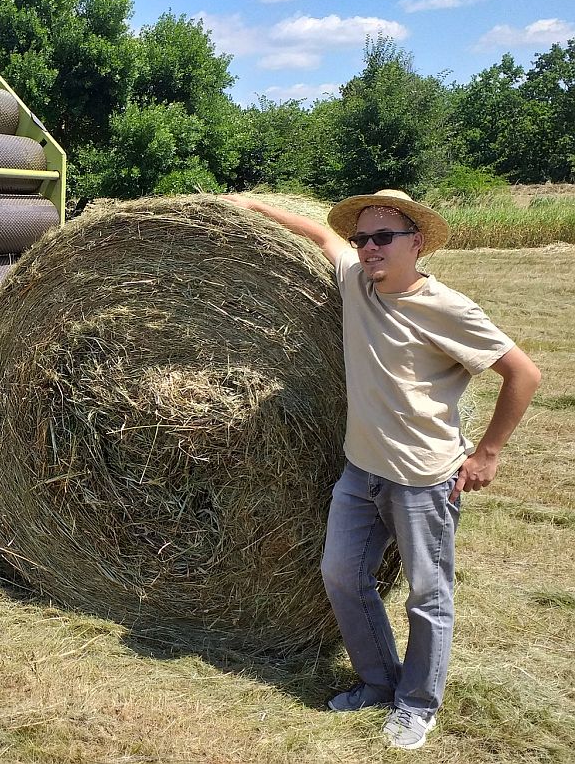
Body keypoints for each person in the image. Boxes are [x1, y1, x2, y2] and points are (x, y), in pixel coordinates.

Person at [222, 189, 541, 751]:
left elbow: (524, 374)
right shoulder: (356, 281)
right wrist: (255, 209)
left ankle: (418, 705)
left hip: (422, 479)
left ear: (416, 243)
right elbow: (321, 236)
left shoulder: (447, 308)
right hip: (360, 471)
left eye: (384, 237)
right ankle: (378, 682)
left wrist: (488, 452)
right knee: (341, 576)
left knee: (428, 596)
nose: (369, 248)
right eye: (363, 238)